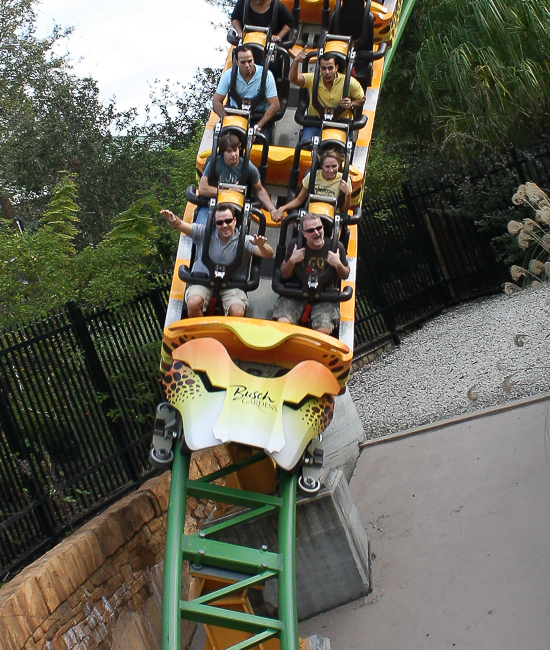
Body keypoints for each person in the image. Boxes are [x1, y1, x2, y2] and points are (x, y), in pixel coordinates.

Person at [161, 203, 274, 318]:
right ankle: (201, 331)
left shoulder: (245, 240)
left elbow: (269, 254)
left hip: (232, 284)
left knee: (237, 311)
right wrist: (173, 220)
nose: (224, 225)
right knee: (193, 303)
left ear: (234, 220)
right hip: (203, 279)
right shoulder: (204, 233)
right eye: (220, 222)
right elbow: (181, 224)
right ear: (215, 223)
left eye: (228, 221)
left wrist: (261, 245)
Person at [273, 212, 350, 334]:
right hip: (296, 294)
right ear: (303, 233)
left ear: (323, 228)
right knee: (283, 323)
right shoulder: (295, 245)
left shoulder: (336, 247)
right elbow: (284, 274)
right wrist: (292, 261)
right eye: (311, 230)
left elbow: (345, 274)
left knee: (323, 330)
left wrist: (337, 263)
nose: (316, 233)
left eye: (319, 228)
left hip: (324, 297)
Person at [195, 132, 278, 224]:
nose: (233, 154)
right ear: (223, 152)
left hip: (235, 207)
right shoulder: (215, 163)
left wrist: (272, 209)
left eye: (235, 150)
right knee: (201, 226)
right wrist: (227, 192)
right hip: (212, 203)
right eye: (229, 151)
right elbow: (202, 189)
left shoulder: (247, 166)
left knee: (239, 229)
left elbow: (259, 190)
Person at [289, 48, 365, 142]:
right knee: (304, 145)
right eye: (324, 68)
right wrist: (296, 61)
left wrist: (352, 104)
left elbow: (362, 99)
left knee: (337, 150)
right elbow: (293, 78)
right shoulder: (313, 79)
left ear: (336, 67)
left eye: (330, 68)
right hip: (315, 123)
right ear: (320, 68)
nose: (327, 72)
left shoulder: (349, 82)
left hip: (340, 124)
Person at [213, 45, 280, 142]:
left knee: (262, 140)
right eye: (243, 62)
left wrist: (259, 125)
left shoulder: (266, 75)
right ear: (237, 62)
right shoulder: (229, 75)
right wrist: (227, 119)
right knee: (225, 140)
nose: (247, 65)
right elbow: (216, 102)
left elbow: (275, 105)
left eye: (250, 61)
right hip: (235, 115)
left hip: (258, 117)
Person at [273, 149, 351, 222]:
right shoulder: (312, 176)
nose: (331, 170)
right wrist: (282, 208)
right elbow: (299, 199)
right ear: (322, 166)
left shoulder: (344, 179)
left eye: (334, 166)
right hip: (311, 215)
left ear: (339, 164)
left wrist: (348, 194)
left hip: (331, 217)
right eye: (327, 167)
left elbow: (344, 211)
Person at [231, 0, 295, 44]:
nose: (258, 1)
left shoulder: (277, 6)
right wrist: (240, 32)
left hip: (269, 46)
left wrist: (278, 36)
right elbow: (235, 18)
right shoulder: (243, 3)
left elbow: (290, 22)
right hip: (246, 43)